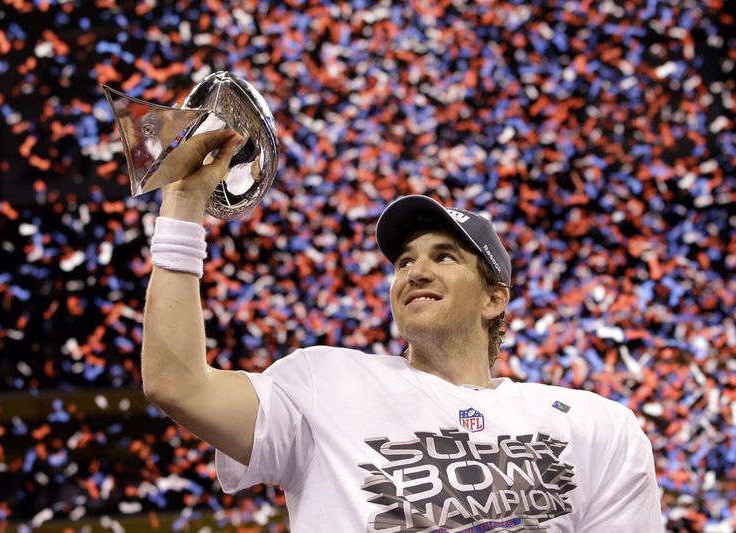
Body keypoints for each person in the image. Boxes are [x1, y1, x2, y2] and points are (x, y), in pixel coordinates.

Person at [141, 128, 664, 532]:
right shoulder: (323, 382)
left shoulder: (598, 427)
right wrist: (184, 206)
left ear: (494, 297)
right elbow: (178, 384)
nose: (415, 271)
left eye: (444, 257)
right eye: (403, 262)